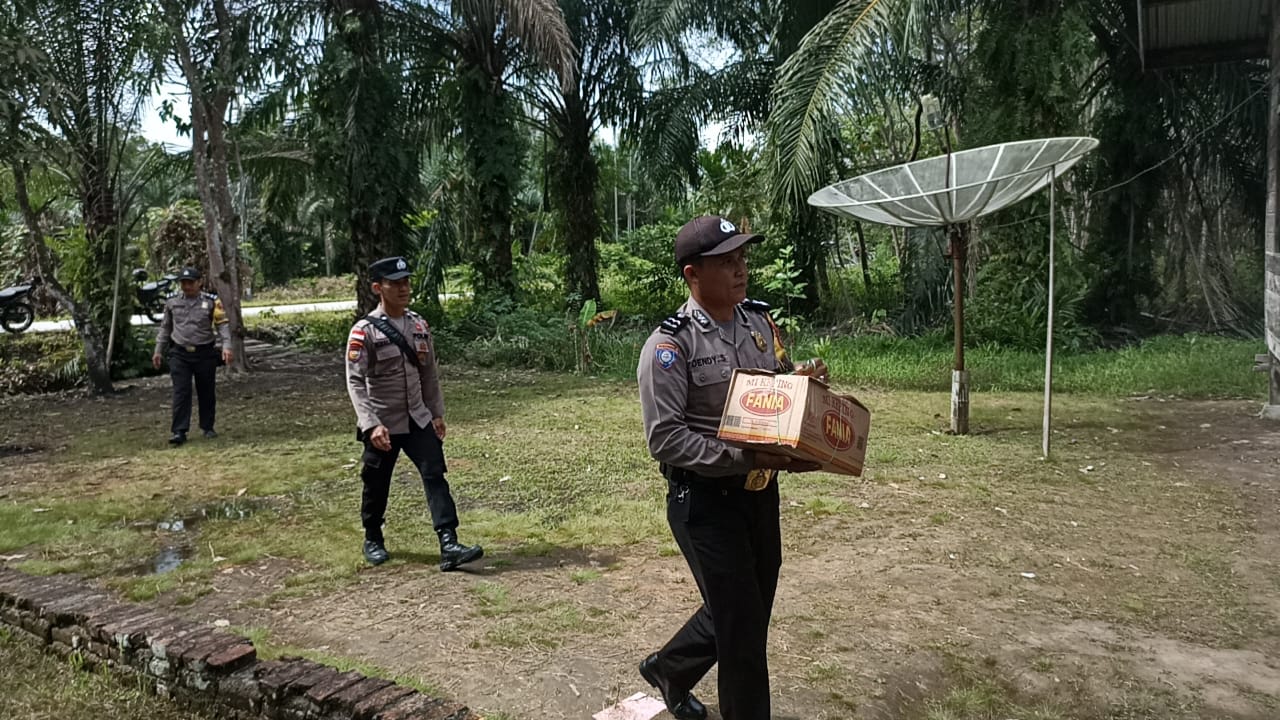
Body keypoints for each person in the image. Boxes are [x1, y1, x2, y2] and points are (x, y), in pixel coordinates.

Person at [636, 216, 827, 720]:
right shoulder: (670, 346)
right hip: (703, 502)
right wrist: (742, 458)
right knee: (742, 627)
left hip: (760, 492)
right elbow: (665, 438)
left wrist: (802, 385)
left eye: (743, 259)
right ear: (693, 275)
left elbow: (776, 391)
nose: (742, 270)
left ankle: (670, 669)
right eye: (727, 263)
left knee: (750, 608)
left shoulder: (759, 323)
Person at [345, 256, 483, 571]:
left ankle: (449, 542)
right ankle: (373, 538)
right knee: (376, 483)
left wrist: (436, 413)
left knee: (435, 475)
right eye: (396, 283)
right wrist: (370, 425)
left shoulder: (419, 325)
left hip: (418, 418)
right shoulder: (364, 331)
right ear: (378, 288)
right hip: (383, 423)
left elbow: (429, 374)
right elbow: (355, 382)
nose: (404, 288)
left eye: (406, 282)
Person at [152, 267, 233, 446]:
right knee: (181, 391)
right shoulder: (172, 302)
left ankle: (207, 426)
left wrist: (227, 347)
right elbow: (165, 327)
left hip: (204, 352)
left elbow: (222, 325)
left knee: (206, 390)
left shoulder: (212, 301)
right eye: (183, 283)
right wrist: (158, 350)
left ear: (199, 283)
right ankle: (179, 431)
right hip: (179, 353)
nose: (186, 286)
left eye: (190, 283)